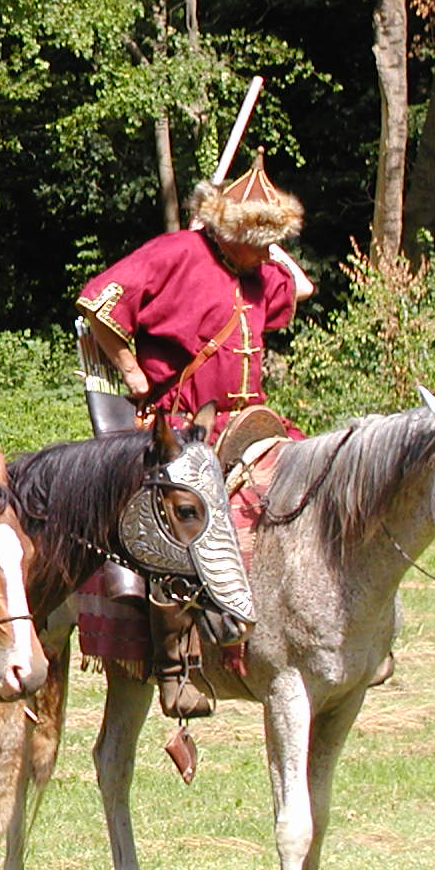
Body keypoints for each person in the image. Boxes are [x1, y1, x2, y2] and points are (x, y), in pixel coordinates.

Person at [74, 155, 314, 717]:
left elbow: (301, 287)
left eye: (270, 242)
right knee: (186, 520)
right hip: (184, 424)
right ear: (228, 233)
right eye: (256, 241)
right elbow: (97, 300)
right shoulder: (176, 252)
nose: (265, 254)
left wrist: (266, 240)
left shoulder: (258, 269)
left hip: (251, 419)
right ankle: (176, 666)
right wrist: (131, 371)